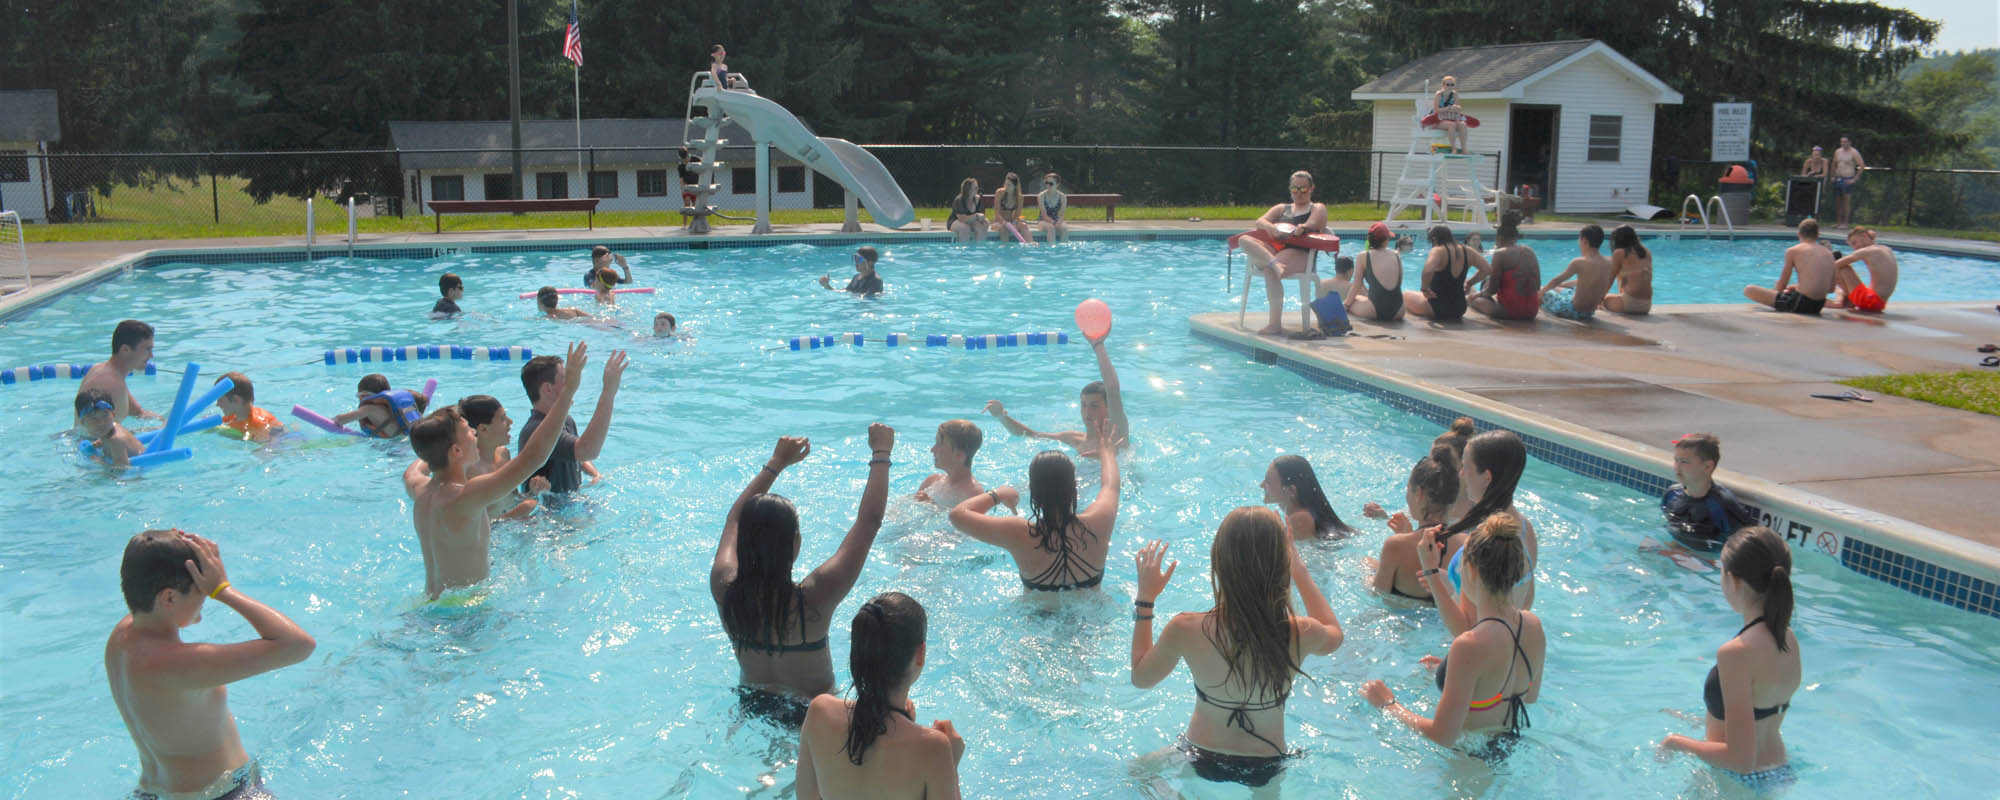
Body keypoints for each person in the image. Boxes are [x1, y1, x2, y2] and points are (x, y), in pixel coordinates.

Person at [1129, 507, 1343, 788]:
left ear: (1218, 562)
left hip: (1198, 754)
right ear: (1281, 563)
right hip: (1267, 762)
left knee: (1138, 772)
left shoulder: (1186, 628)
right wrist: (1299, 568)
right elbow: (1335, 635)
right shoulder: (1302, 631)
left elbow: (1141, 679)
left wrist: (1145, 599)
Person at [105, 529, 315, 799]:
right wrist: (223, 590)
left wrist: (167, 546)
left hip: (152, 793)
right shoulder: (175, 664)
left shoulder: (122, 636)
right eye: (201, 593)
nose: (204, 606)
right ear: (168, 598)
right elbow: (298, 645)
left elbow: (148, 565)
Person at [711, 427, 894, 725]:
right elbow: (869, 522)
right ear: (795, 544)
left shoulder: (723, 586)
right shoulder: (817, 597)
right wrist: (881, 453)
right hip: (811, 714)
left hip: (752, 705)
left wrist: (776, 463)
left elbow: (734, 519)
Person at [402, 343, 595, 599]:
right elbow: (533, 457)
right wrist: (568, 390)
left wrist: (437, 447)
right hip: (467, 615)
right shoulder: (466, 496)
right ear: (456, 451)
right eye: (469, 433)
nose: (474, 435)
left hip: (429, 602)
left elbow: (416, 465)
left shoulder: (419, 487)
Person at [1361, 514, 1544, 755]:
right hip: (1509, 748)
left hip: (1466, 761)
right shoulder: (1532, 625)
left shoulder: (1468, 646)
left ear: (1471, 571)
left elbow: (1442, 736)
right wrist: (1462, 675)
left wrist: (1388, 704)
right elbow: (1528, 697)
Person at [1659, 526, 1801, 791]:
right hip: (1777, 772)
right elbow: (1761, 711)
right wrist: (1700, 721)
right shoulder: (1788, 637)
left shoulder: (1736, 652)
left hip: (1735, 781)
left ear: (1733, 580)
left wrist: (1675, 742)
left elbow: (1740, 760)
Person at [795, 592, 963, 799]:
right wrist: (951, 765)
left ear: (858, 652)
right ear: (921, 654)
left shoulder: (819, 712)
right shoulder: (934, 748)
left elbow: (806, 796)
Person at [949, 425, 1119, 594]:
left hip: (1037, 616)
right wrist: (1107, 453)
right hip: (1092, 618)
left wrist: (997, 494)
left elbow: (957, 515)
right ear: (1073, 487)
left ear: (1034, 491)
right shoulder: (1099, 522)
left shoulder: (1018, 532)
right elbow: (1111, 486)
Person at [1417, 430, 1540, 635]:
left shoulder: (1484, 539)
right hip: (1506, 651)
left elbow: (1467, 629)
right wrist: (1455, 584)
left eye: (1466, 467)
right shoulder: (1526, 530)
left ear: (1487, 477)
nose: (1461, 474)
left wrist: (1432, 574)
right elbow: (1520, 605)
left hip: (1473, 655)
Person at [983, 331, 1129, 457]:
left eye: (1094, 406)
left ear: (1109, 407)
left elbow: (1113, 389)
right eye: (1083, 405)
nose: (1087, 412)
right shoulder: (1073, 439)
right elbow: (1032, 436)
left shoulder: (1116, 437)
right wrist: (1001, 416)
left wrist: (1098, 345)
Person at [516, 349, 628, 496]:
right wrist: (608, 391)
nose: (573, 383)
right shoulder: (536, 430)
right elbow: (587, 450)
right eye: (566, 378)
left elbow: (576, 454)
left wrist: (594, 474)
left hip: (570, 505)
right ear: (548, 389)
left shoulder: (565, 420)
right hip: (548, 515)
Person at [1366, 442, 1461, 603]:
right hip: (1444, 620)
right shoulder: (1466, 544)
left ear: (1420, 494)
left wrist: (1366, 577)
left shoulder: (1395, 545)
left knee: (1364, 563)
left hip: (1402, 621)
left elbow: (1377, 593)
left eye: (1408, 490)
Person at [1240, 171, 1329, 335]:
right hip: (1275, 253)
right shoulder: (1282, 208)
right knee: (1244, 240)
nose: (1299, 193)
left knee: (1269, 271)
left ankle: (1274, 324)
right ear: (1290, 190)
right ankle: (1274, 263)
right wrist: (1272, 228)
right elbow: (1260, 221)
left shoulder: (1317, 208)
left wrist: (1302, 228)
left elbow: (1313, 223)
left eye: (1303, 189)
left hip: (1301, 254)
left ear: (1311, 189)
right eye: (1295, 189)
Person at [455, 394, 553, 521]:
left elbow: (513, 500)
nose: (510, 422)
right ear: (483, 429)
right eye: (502, 419)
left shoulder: (503, 454)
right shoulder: (467, 471)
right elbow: (467, 526)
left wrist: (533, 493)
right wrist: (513, 515)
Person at [1660, 433, 1757, 556]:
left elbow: (1747, 545)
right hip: (1679, 552)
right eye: (1676, 460)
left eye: (1684, 462)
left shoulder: (1722, 505)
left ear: (1707, 466)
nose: (1677, 467)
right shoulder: (1671, 494)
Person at [1743, 218, 1835, 316]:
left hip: (1799, 304)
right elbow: (1830, 289)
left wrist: (1780, 290)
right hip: (1818, 306)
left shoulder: (1793, 251)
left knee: (1749, 289)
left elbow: (1781, 286)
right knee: (1791, 290)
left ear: (1799, 235)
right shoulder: (1829, 254)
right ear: (1818, 235)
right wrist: (1796, 287)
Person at [80, 319, 160, 421]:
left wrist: (164, 422)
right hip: (89, 437)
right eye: (147, 349)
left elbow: (139, 412)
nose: (151, 356)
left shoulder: (102, 369)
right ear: (125, 350)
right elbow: (108, 434)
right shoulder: (114, 385)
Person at [1260, 455, 1354, 540]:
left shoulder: (1299, 519)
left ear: (1290, 490)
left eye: (1268, 482)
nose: (1262, 485)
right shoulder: (1308, 513)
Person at [1407, 225, 1487, 322]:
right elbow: (1487, 269)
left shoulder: (1438, 250)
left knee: (1405, 295)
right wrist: (1469, 283)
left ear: (1434, 239)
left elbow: (1427, 271)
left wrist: (1424, 289)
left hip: (1437, 308)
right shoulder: (1468, 251)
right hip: (1459, 308)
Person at [1469, 215, 1540, 321]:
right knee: (1488, 281)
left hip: (1509, 311)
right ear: (1515, 238)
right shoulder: (1530, 251)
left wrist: (1477, 294)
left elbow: (1492, 290)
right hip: (1532, 311)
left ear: (1499, 238)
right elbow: (1537, 285)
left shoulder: (1500, 254)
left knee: (1473, 300)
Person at [1537, 224, 1614, 321]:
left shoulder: (1579, 262)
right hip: (1589, 313)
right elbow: (1592, 280)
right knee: (1560, 287)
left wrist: (1541, 293)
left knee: (1541, 289)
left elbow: (1556, 280)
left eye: (1579, 240)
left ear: (1584, 241)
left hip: (1571, 310)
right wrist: (1563, 284)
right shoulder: (1609, 262)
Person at [332, 373, 430, 439]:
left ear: (364, 396)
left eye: (359, 396)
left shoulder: (369, 409)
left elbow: (340, 420)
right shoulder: (397, 406)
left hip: (392, 445)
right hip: (410, 439)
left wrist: (333, 419)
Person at [915, 419, 985, 509]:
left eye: (939, 444)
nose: (932, 450)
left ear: (959, 455)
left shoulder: (974, 494)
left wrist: (931, 506)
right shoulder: (931, 481)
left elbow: (965, 521)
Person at [1346, 221, 1406, 322]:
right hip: (1399, 311)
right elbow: (1399, 283)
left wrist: (1346, 305)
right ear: (1385, 240)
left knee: (1353, 300)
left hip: (1374, 310)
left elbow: (1357, 285)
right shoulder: (1396, 255)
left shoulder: (1363, 256)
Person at [1830, 227, 1897, 312]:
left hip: (1869, 302)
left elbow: (1835, 265)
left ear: (1864, 236)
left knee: (1843, 267)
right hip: (1880, 304)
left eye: (1854, 243)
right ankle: (1849, 298)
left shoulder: (1866, 251)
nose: (1855, 248)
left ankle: (1848, 300)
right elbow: (1871, 234)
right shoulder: (1886, 249)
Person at [76, 388, 145, 468]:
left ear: (113, 414)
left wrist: (97, 460)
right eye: (93, 418)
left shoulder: (115, 441)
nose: (101, 422)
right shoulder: (110, 430)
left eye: (105, 415)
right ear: (82, 422)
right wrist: (100, 442)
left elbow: (122, 470)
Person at [214, 372, 285, 443]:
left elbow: (266, 446)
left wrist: (227, 433)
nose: (217, 404)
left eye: (221, 400)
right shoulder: (232, 417)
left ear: (237, 400)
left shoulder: (259, 424)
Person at [1602, 225, 1654, 315]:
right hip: (1646, 305)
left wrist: (1600, 298)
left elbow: (1610, 279)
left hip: (1629, 303)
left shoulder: (1619, 253)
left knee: (1603, 300)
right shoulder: (1647, 251)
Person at [819, 246, 884, 296]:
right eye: (855, 258)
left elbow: (868, 302)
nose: (856, 262)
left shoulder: (876, 281)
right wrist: (827, 286)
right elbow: (845, 291)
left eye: (859, 259)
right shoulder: (856, 277)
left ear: (870, 262)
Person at [1831, 135, 1865, 228]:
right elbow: (1834, 164)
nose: (1843, 144)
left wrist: (1854, 179)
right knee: (1838, 201)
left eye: (1845, 142)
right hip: (1838, 177)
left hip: (1848, 178)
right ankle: (1838, 221)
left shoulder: (1854, 152)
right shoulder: (1837, 151)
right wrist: (1833, 176)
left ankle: (1845, 223)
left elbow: (1861, 166)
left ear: (1850, 142)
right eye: (1842, 142)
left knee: (1846, 201)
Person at [1432, 75, 1469, 154]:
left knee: (1463, 125)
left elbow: (1457, 108)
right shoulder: (1439, 94)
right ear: (1443, 85)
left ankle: (1464, 149)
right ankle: (1454, 149)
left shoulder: (1455, 94)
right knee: (1451, 125)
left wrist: (1457, 108)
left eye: (1452, 85)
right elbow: (1436, 110)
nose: (1450, 86)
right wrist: (1448, 108)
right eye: (1447, 84)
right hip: (1437, 119)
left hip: (1450, 117)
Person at [992, 172, 1030, 242]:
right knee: (1004, 228)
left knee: (1023, 225)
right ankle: (1006, 248)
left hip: (1012, 222)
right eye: (1006, 184)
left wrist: (1014, 223)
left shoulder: (1019, 197)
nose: (1006, 187)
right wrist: (1005, 223)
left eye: (1009, 185)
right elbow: (997, 214)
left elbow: (1017, 214)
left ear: (1015, 186)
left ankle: (1030, 245)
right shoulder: (999, 193)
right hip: (999, 222)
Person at [948, 178, 988, 242]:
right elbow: (962, 218)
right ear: (968, 189)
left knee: (983, 225)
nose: (978, 189)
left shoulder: (978, 199)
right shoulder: (959, 200)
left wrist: (982, 218)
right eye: (975, 188)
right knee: (964, 228)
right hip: (956, 221)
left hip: (971, 221)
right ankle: (964, 250)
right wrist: (976, 216)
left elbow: (982, 215)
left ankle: (979, 249)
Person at [1037, 172, 1069, 244]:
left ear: (1057, 184)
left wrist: (1059, 221)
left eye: (1051, 183)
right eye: (1046, 183)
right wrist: (1053, 223)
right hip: (1043, 221)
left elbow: (1061, 214)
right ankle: (1051, 249)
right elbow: (1044, 215)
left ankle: (1063, 249)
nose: (1048, 185)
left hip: (1057, 220)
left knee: (1064, 228)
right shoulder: (1041, 196)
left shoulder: (1062, 197)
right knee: (1050, 228)